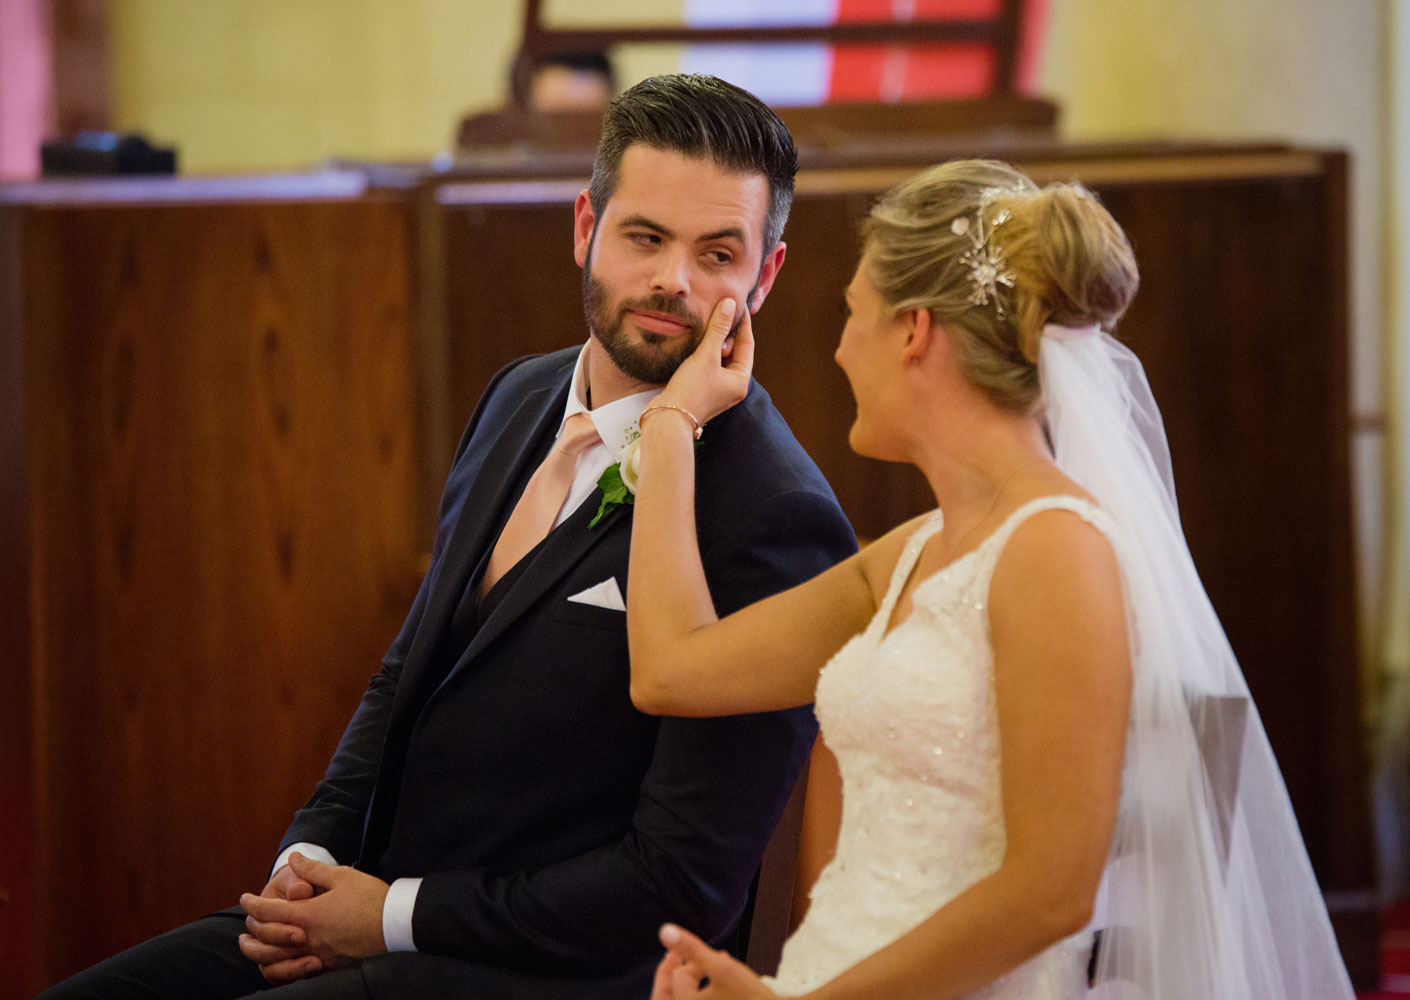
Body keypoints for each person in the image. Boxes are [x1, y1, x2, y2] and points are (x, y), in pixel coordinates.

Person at [34, 74, 856, 1000]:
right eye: (646, 237)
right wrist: (311, 856)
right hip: (377, 910)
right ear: (585, 227)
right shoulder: (519, 397)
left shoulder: (773, 515)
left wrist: (391, 915)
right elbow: (408, 669)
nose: (676, 280)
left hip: (558, 972)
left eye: (718, 253)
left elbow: (682, 885)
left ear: (766, 274)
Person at [622, 160, 1358, 999]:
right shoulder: (908, 556)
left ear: (914, 331)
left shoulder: (1057, 551)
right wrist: (673, 425)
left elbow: (1050, 893)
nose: (836, 349)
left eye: (850, 314)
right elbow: (671, 670)